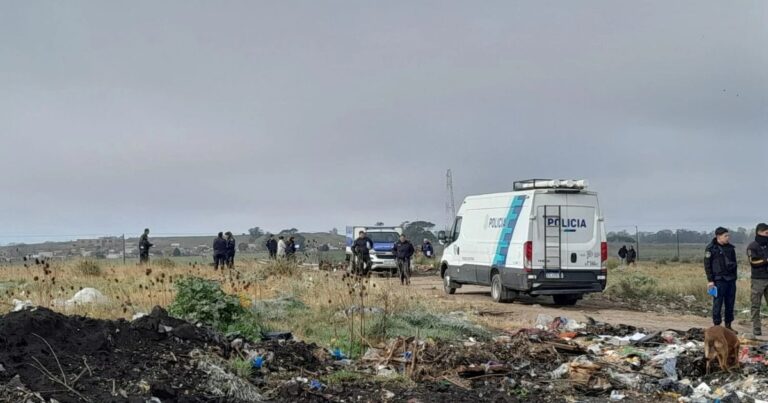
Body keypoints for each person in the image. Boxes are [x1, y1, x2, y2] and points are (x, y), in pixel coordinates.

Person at [705, 227, 738, 332]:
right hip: (718, 280)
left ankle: (728, 325)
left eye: (728, 235)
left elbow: (734, 264)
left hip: (730, 280)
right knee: (718, 303)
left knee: (730, 303)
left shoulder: (730, 248)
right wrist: (710, 280)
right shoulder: (711, 248)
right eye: (725, 236)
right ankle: (717, 326)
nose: (728, 238)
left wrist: (734, 278)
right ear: (718, 236)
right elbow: (707, 265)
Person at [747, 223, 768, 336]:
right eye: (766, 233)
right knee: (756, 305)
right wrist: (766, 260)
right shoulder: (753, 246)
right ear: (759, 232)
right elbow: (753, 262)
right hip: (758, 279)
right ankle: (757, 328)